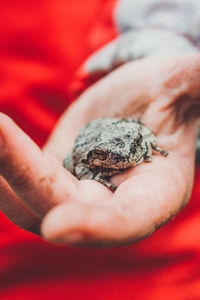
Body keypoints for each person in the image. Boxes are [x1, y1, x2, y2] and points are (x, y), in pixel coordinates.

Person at [1, 0, 200, 299]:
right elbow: (78, 159)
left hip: (169, 268)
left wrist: (163, 41)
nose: (123, 158)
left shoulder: (134, 139)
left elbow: (141, 133)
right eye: (112, 157)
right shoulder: (91, 156)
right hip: (17, 265)